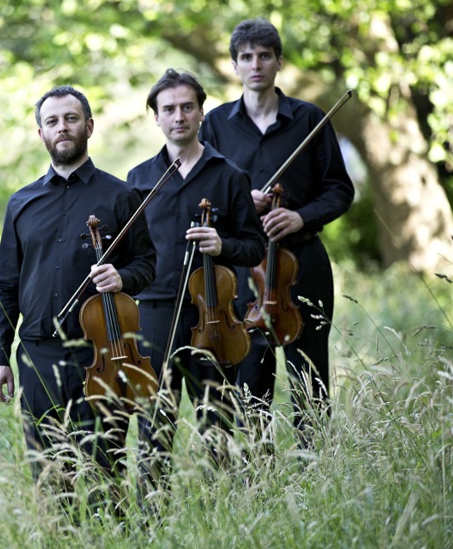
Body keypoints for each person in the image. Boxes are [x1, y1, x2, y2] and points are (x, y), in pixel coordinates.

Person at [0, 86, 156, 514]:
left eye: (71, 118)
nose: (62, 127)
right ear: (40, 132)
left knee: (105, 475)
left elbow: (148, 265)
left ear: (89, 126)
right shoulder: (21, 202)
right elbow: (5, 285)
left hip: (100, 354)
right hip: (38, 355)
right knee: (49, 480)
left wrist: (122, 276)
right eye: (52, 121)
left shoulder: (121, 197)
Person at [199, 19, 355, 448]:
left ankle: (317, 470)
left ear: (278, 62)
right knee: (251, 381)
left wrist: (300, 217)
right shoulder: (214, 126)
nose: (256, 65)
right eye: (246, 57)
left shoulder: (309, 119)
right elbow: (202, 198)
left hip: (302, 263)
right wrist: (238, 204)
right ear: (234, 65)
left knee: (311, 379)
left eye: (264, 55)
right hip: (244, 269)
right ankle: (259, 477)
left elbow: (340, 190)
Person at [127, 69, 265, 493]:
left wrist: (222, 245)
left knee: (217, 426)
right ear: (156, 117)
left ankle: (222, 514)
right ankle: (151, 523)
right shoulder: (138, 179)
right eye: (168, 109)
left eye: (187, 107)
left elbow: (255, 246)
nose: (178, 116)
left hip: (213, 317)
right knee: (154, 429)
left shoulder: (229, 175)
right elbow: (127, 253)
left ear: (201, 112)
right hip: (153, 314)